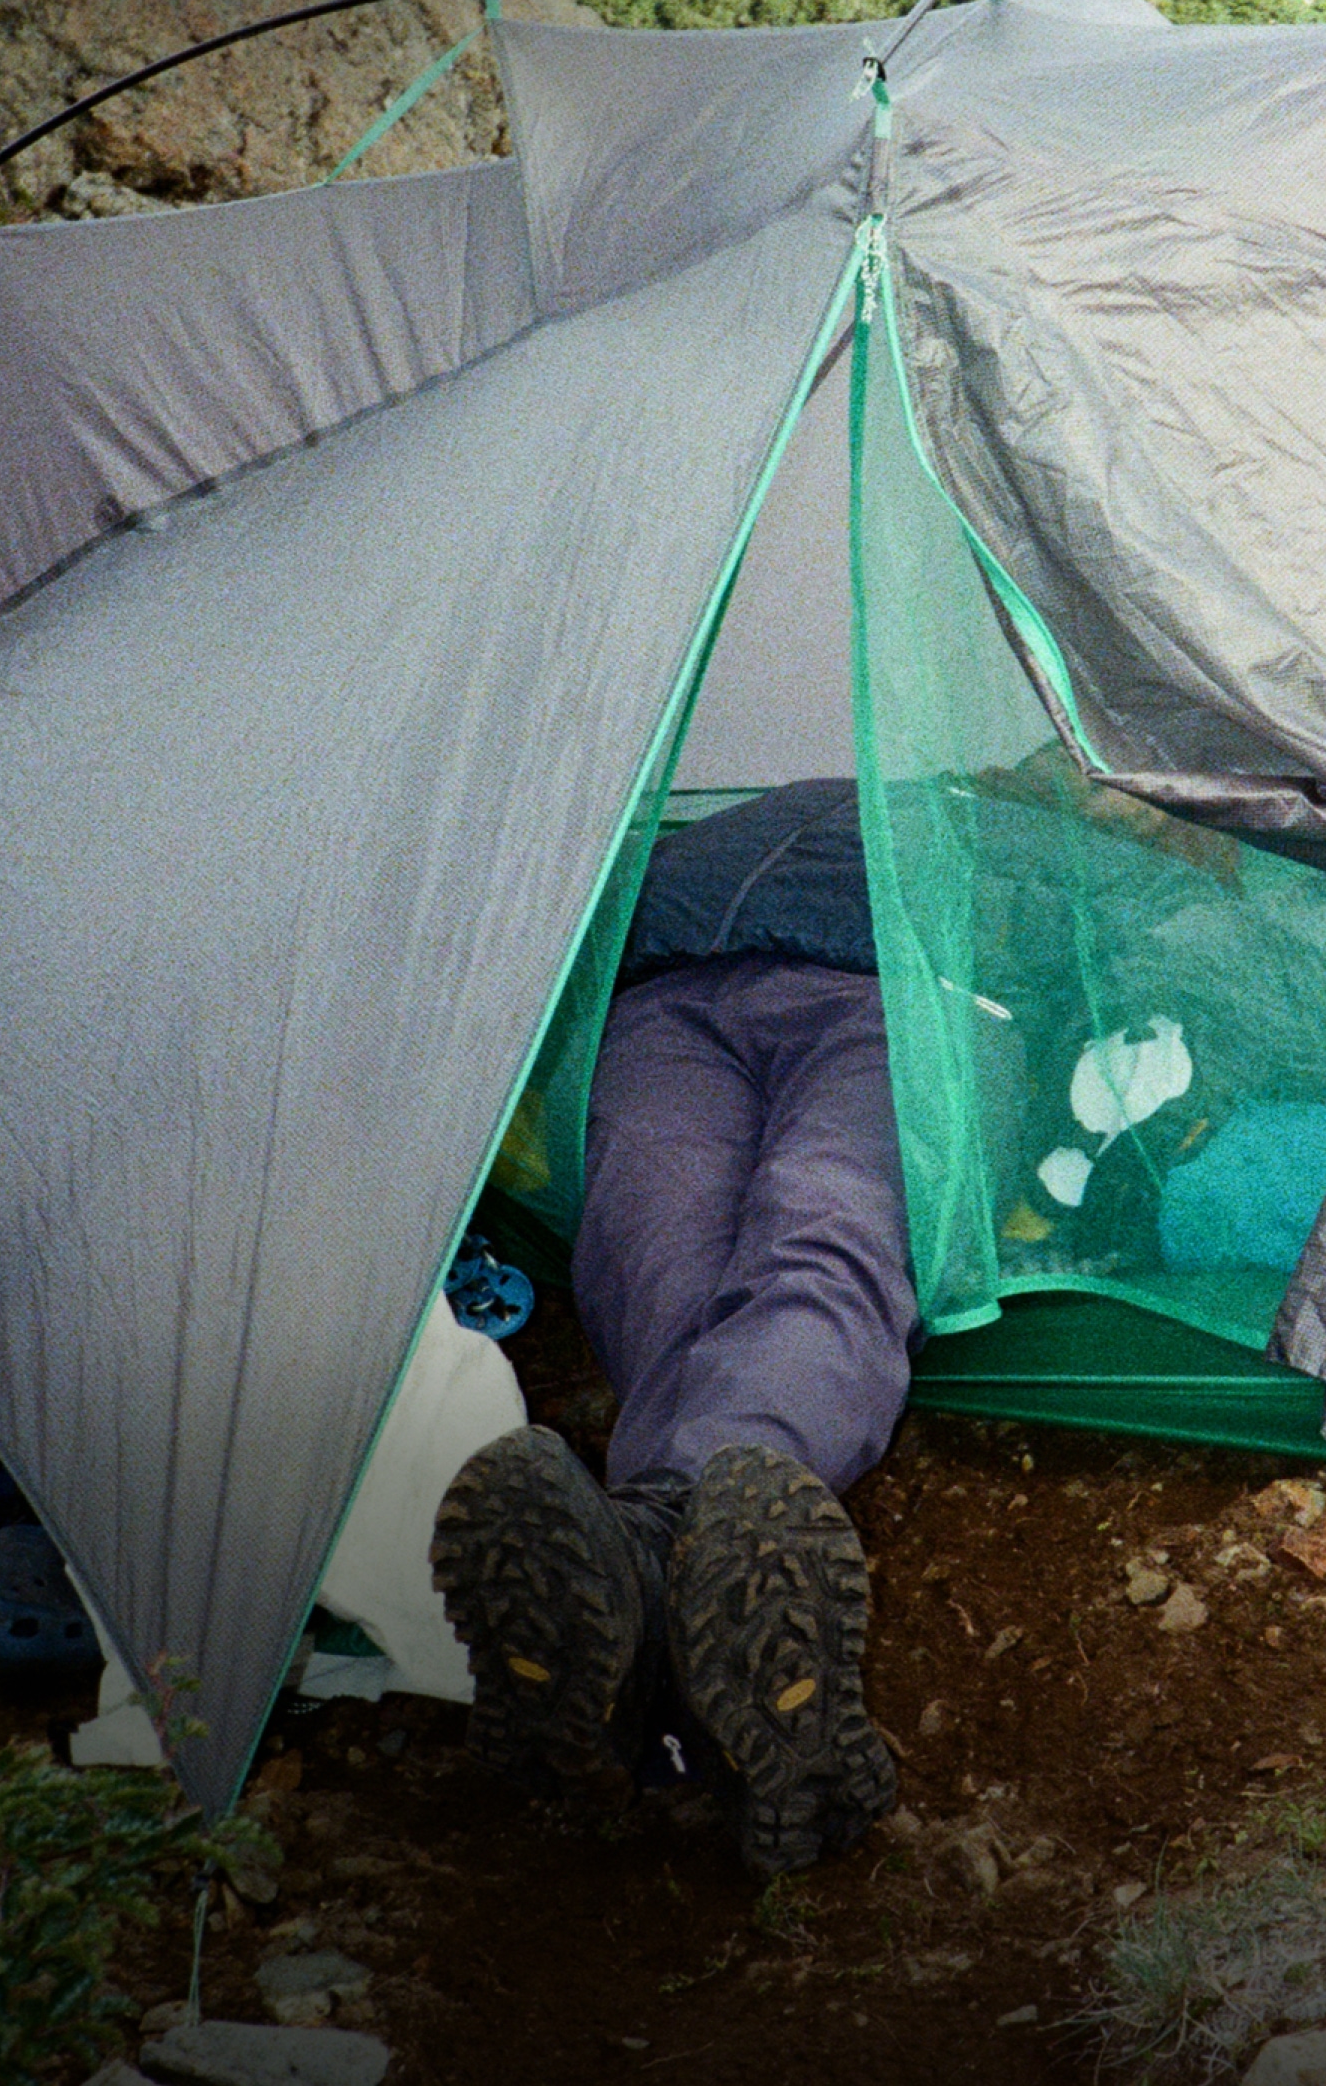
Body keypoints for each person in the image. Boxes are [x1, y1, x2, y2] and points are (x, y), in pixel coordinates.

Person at [431, 780, 917, 1875]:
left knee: (823, 1219)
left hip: (898, 1000)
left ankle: (658, 1553)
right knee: (651, 1255)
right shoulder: (719, 828)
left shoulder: (1014, 839)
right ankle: (712, 1586)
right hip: (665, 1002)